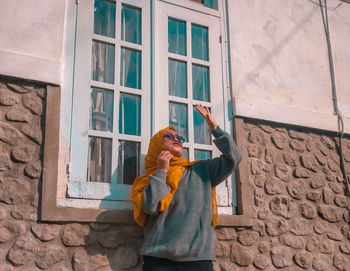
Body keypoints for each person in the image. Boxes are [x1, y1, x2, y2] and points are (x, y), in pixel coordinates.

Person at [130, 104, 242, 271]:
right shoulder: (149, 178)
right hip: (159, 260)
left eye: (180, 138)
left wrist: (215, 128)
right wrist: (161, 172)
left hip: (197, 260)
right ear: (156, 146)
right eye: (169, 136)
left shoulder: (201, 171)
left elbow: (234, 158)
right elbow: (152, 207)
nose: (178, 140)